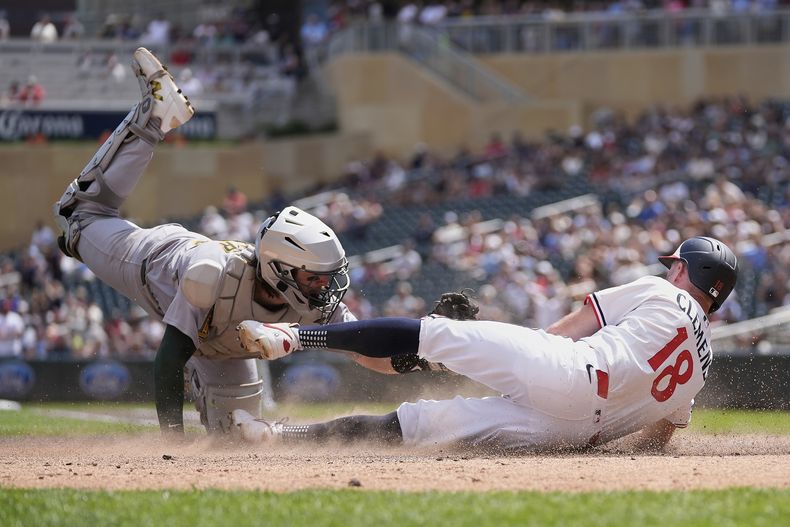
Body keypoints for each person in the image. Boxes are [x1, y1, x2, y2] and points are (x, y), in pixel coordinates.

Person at [52, 48, 356, 438]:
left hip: (219, 344)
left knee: (237, 439)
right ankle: (155, 115)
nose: (325, 288)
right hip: (151, 264)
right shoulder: (210, 275)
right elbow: (168, 360)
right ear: (280, 270)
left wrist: (429, 350)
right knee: (77, 216)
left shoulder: (316, 304)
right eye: (314, 277)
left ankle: (80, 241)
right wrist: (172, 443)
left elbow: (369, 342)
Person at [232, 237, 738, 452]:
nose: (669, 268)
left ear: (686, 270)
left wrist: (499, 350)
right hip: (572, 435)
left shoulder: (658, 292)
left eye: (675, 263)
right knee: (419, 425)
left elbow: (577, 325)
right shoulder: (702, 364)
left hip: (570, 373)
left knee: (436, 331)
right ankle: (280, 437)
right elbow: (658, 438)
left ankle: (292, 336)